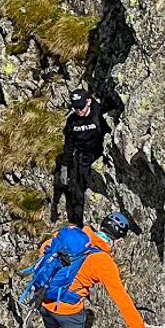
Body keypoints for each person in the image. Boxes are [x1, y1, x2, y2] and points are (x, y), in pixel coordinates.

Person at [32, 212, 147, 328]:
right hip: (68, 307)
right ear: (118, 241)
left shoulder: (73, 235)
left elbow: (44, 250)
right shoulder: (104, 262)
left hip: (44, 297)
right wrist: (140, 327)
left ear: (99, 227)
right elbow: (120, 297)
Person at [56, 86, 107, 226]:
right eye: (76, 108)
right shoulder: (72, 121)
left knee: (97, 190)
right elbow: (68, 146)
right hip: (81, 159)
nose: (79, 111)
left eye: (81, 107)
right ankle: (79, 224)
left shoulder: (99, 113)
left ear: (88, 102)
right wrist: (65, 167)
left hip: (99, 157)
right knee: (78, 193)